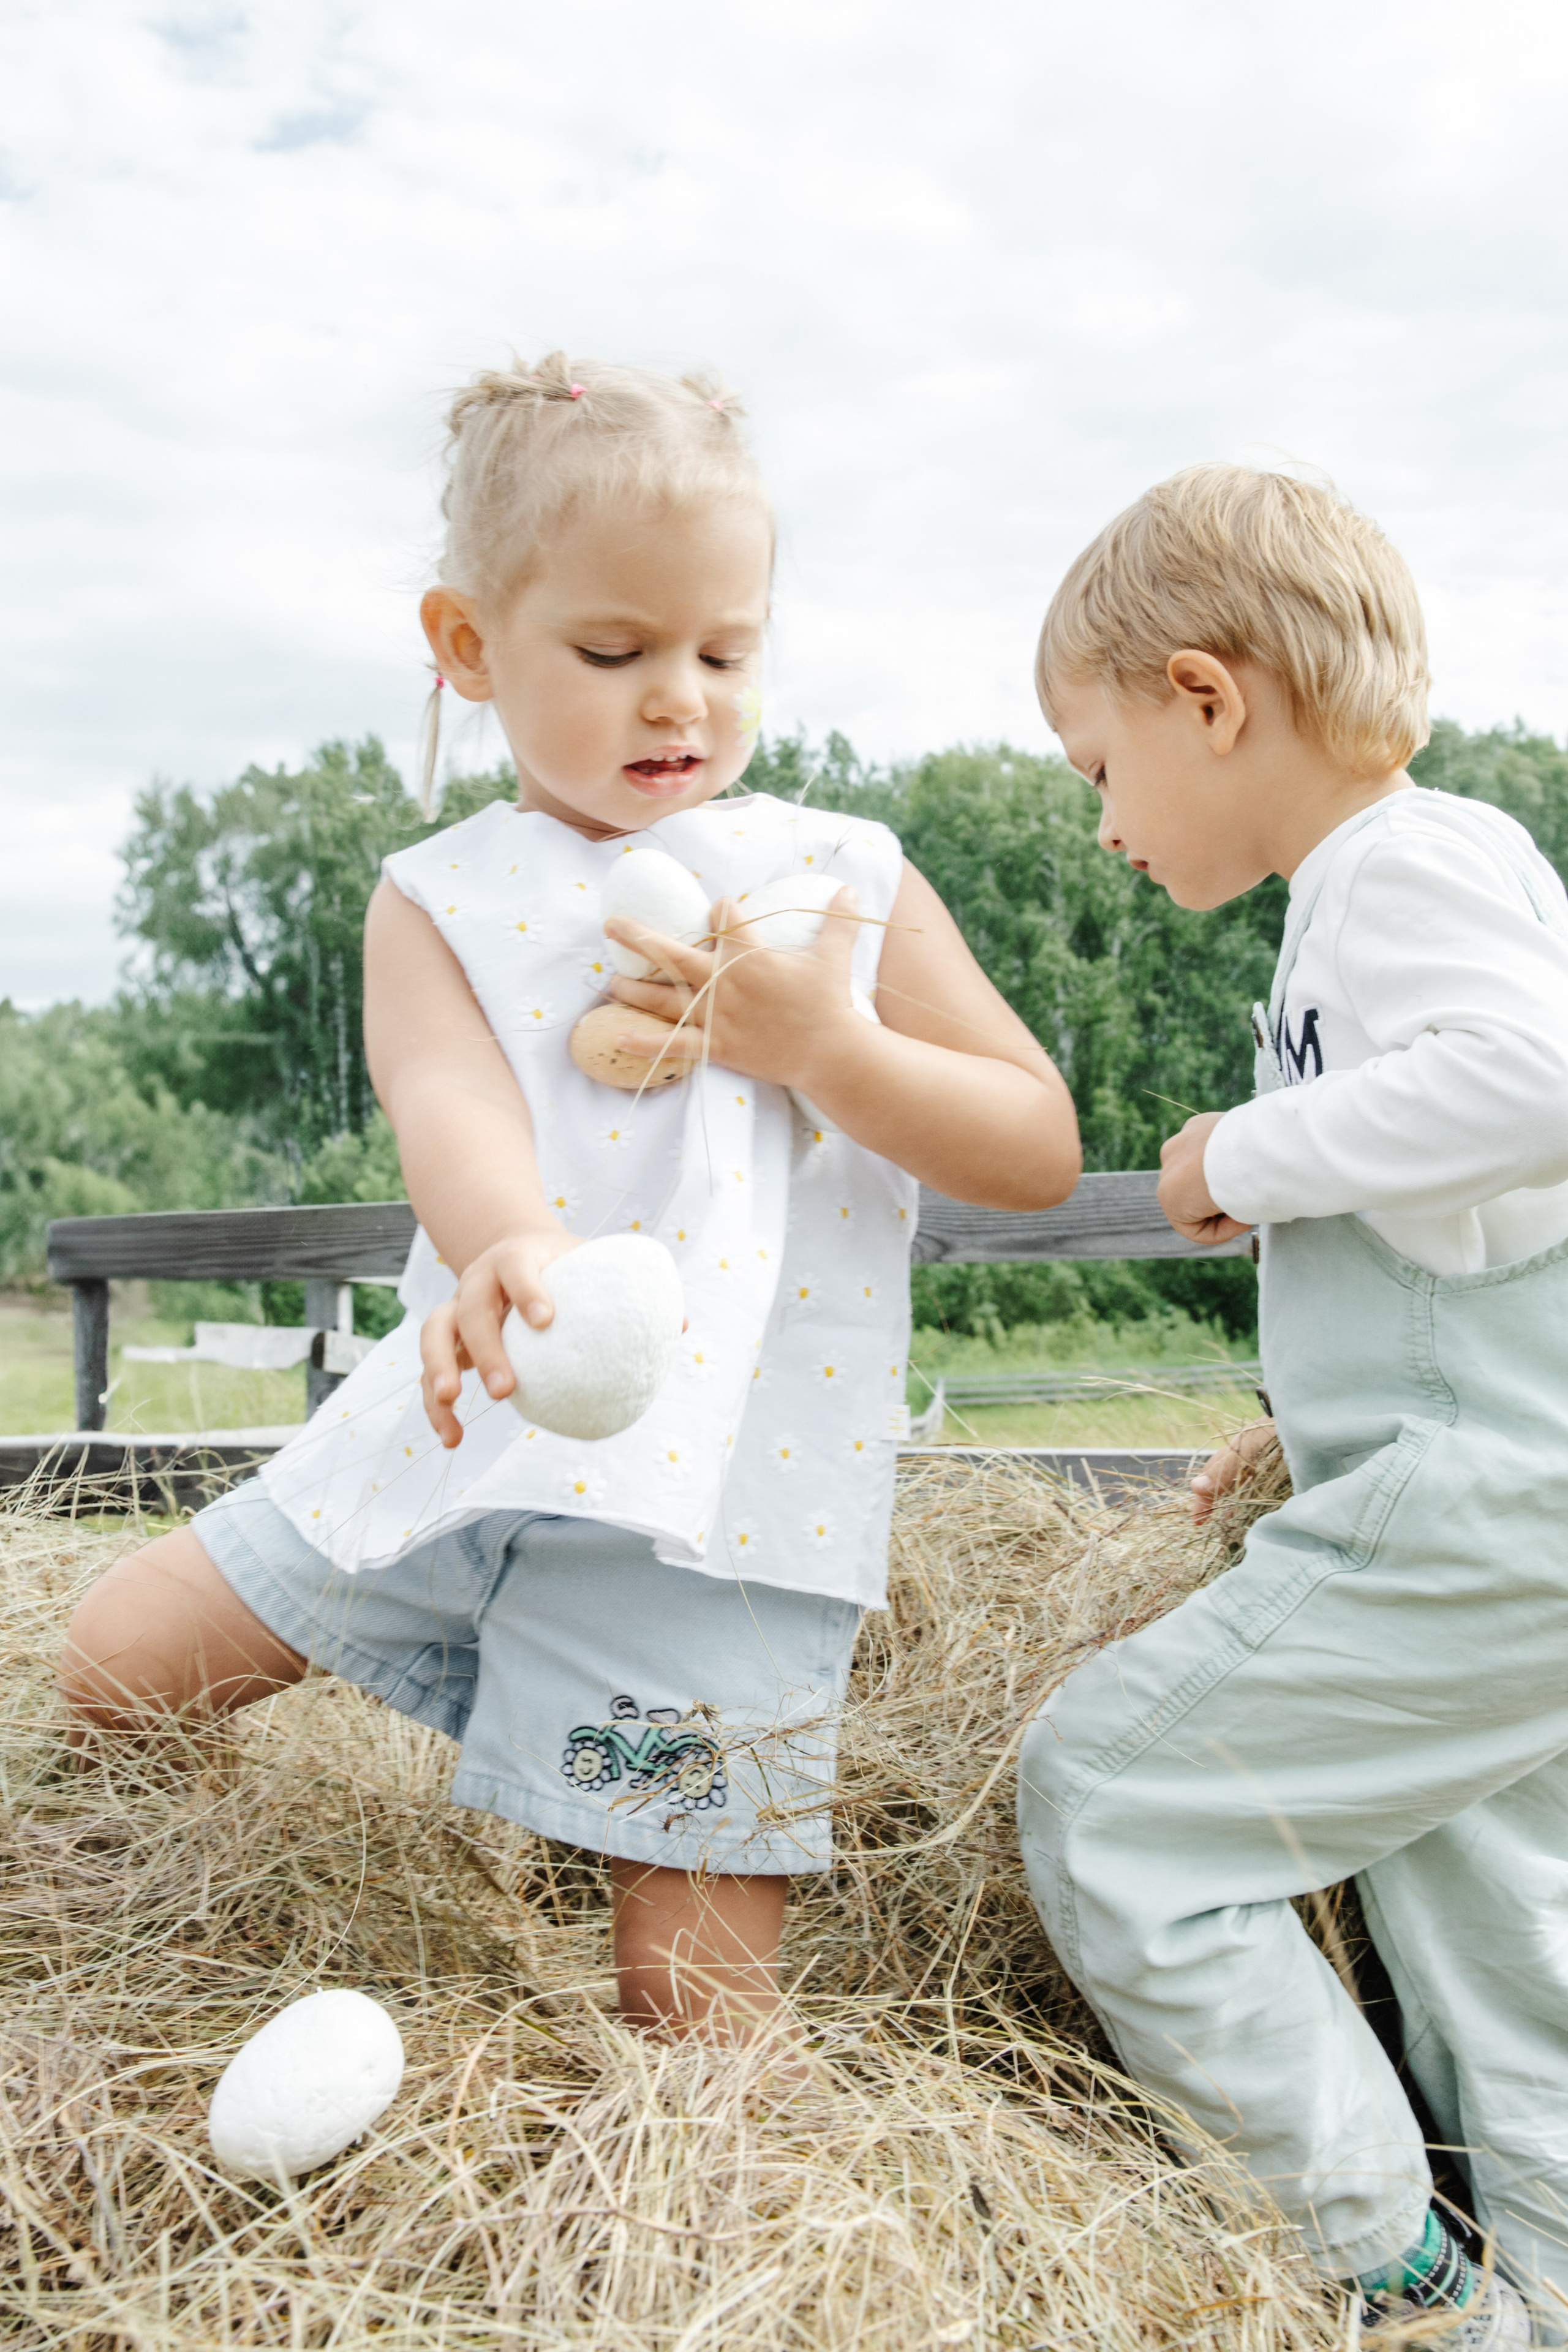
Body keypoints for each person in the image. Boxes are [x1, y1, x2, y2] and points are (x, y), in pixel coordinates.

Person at [62, 352, 1080, 2038]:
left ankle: (702, 2181)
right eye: (614, 654)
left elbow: (1034, 1142)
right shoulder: (439, 895)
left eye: (724, 651)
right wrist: (513, 1245)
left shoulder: (843, 883)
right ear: (469, 648)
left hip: (726, 1501)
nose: (678, 697)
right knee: (120, 1660)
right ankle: (130, 1957)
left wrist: (831, 1048)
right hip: (467, 1417)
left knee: (688, 1995)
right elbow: (448, 1103)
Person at [1021, 462, 1568, 2346]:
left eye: (1097, 768)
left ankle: (1390, 2269)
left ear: (1205, 697)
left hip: (1488, 1514)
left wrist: (1246, 1152)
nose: (1100, 830)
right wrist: (1302, 1424)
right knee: (1497, 1939)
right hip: (1498, 1485)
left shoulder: (1405, 866)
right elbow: (1480, 1228)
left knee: (1111, 1802)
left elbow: (1543, 1079)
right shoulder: (1388, 886)